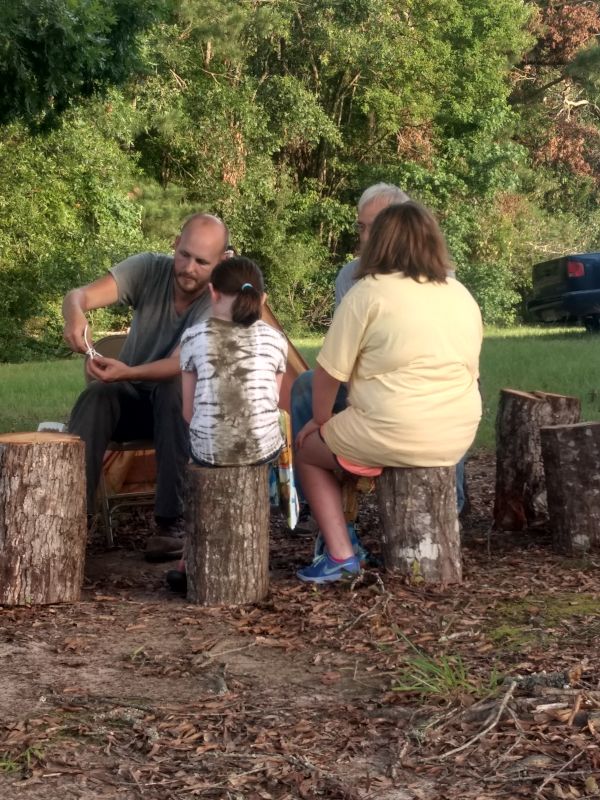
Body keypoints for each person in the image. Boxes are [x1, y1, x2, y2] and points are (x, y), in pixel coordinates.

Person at [294, 201, 483, 583]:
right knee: (367, 434)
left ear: (380, 242)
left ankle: (340, 554)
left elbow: (329, 373)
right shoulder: (461, 294)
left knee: (307, 452)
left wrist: (319, 422)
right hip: (456, 435)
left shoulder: (367, 293)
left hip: (392, 428)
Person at [63, 213, 230, 560]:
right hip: (132, 399)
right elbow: (78, 295)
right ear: (174, 244)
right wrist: (75, 314)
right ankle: (67, 520)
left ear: (222, 262)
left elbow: (181, 363)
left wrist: (127, 371)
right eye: (184, 255)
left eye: (202, 262)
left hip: (186, 411)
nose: (188, 268)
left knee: (174, 386)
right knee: (97, 396)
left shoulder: (221, 300)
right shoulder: (149, 269)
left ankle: (171, 524)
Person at [165, 256, 287, 592]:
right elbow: (269, 406)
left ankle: (188, 559)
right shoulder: (277, 340)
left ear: (212, 293)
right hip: (262, 448)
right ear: (262, 299)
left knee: (199, 447)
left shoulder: (193, 337)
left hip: (209, 450)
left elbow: (189, 413)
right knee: (261, 435)